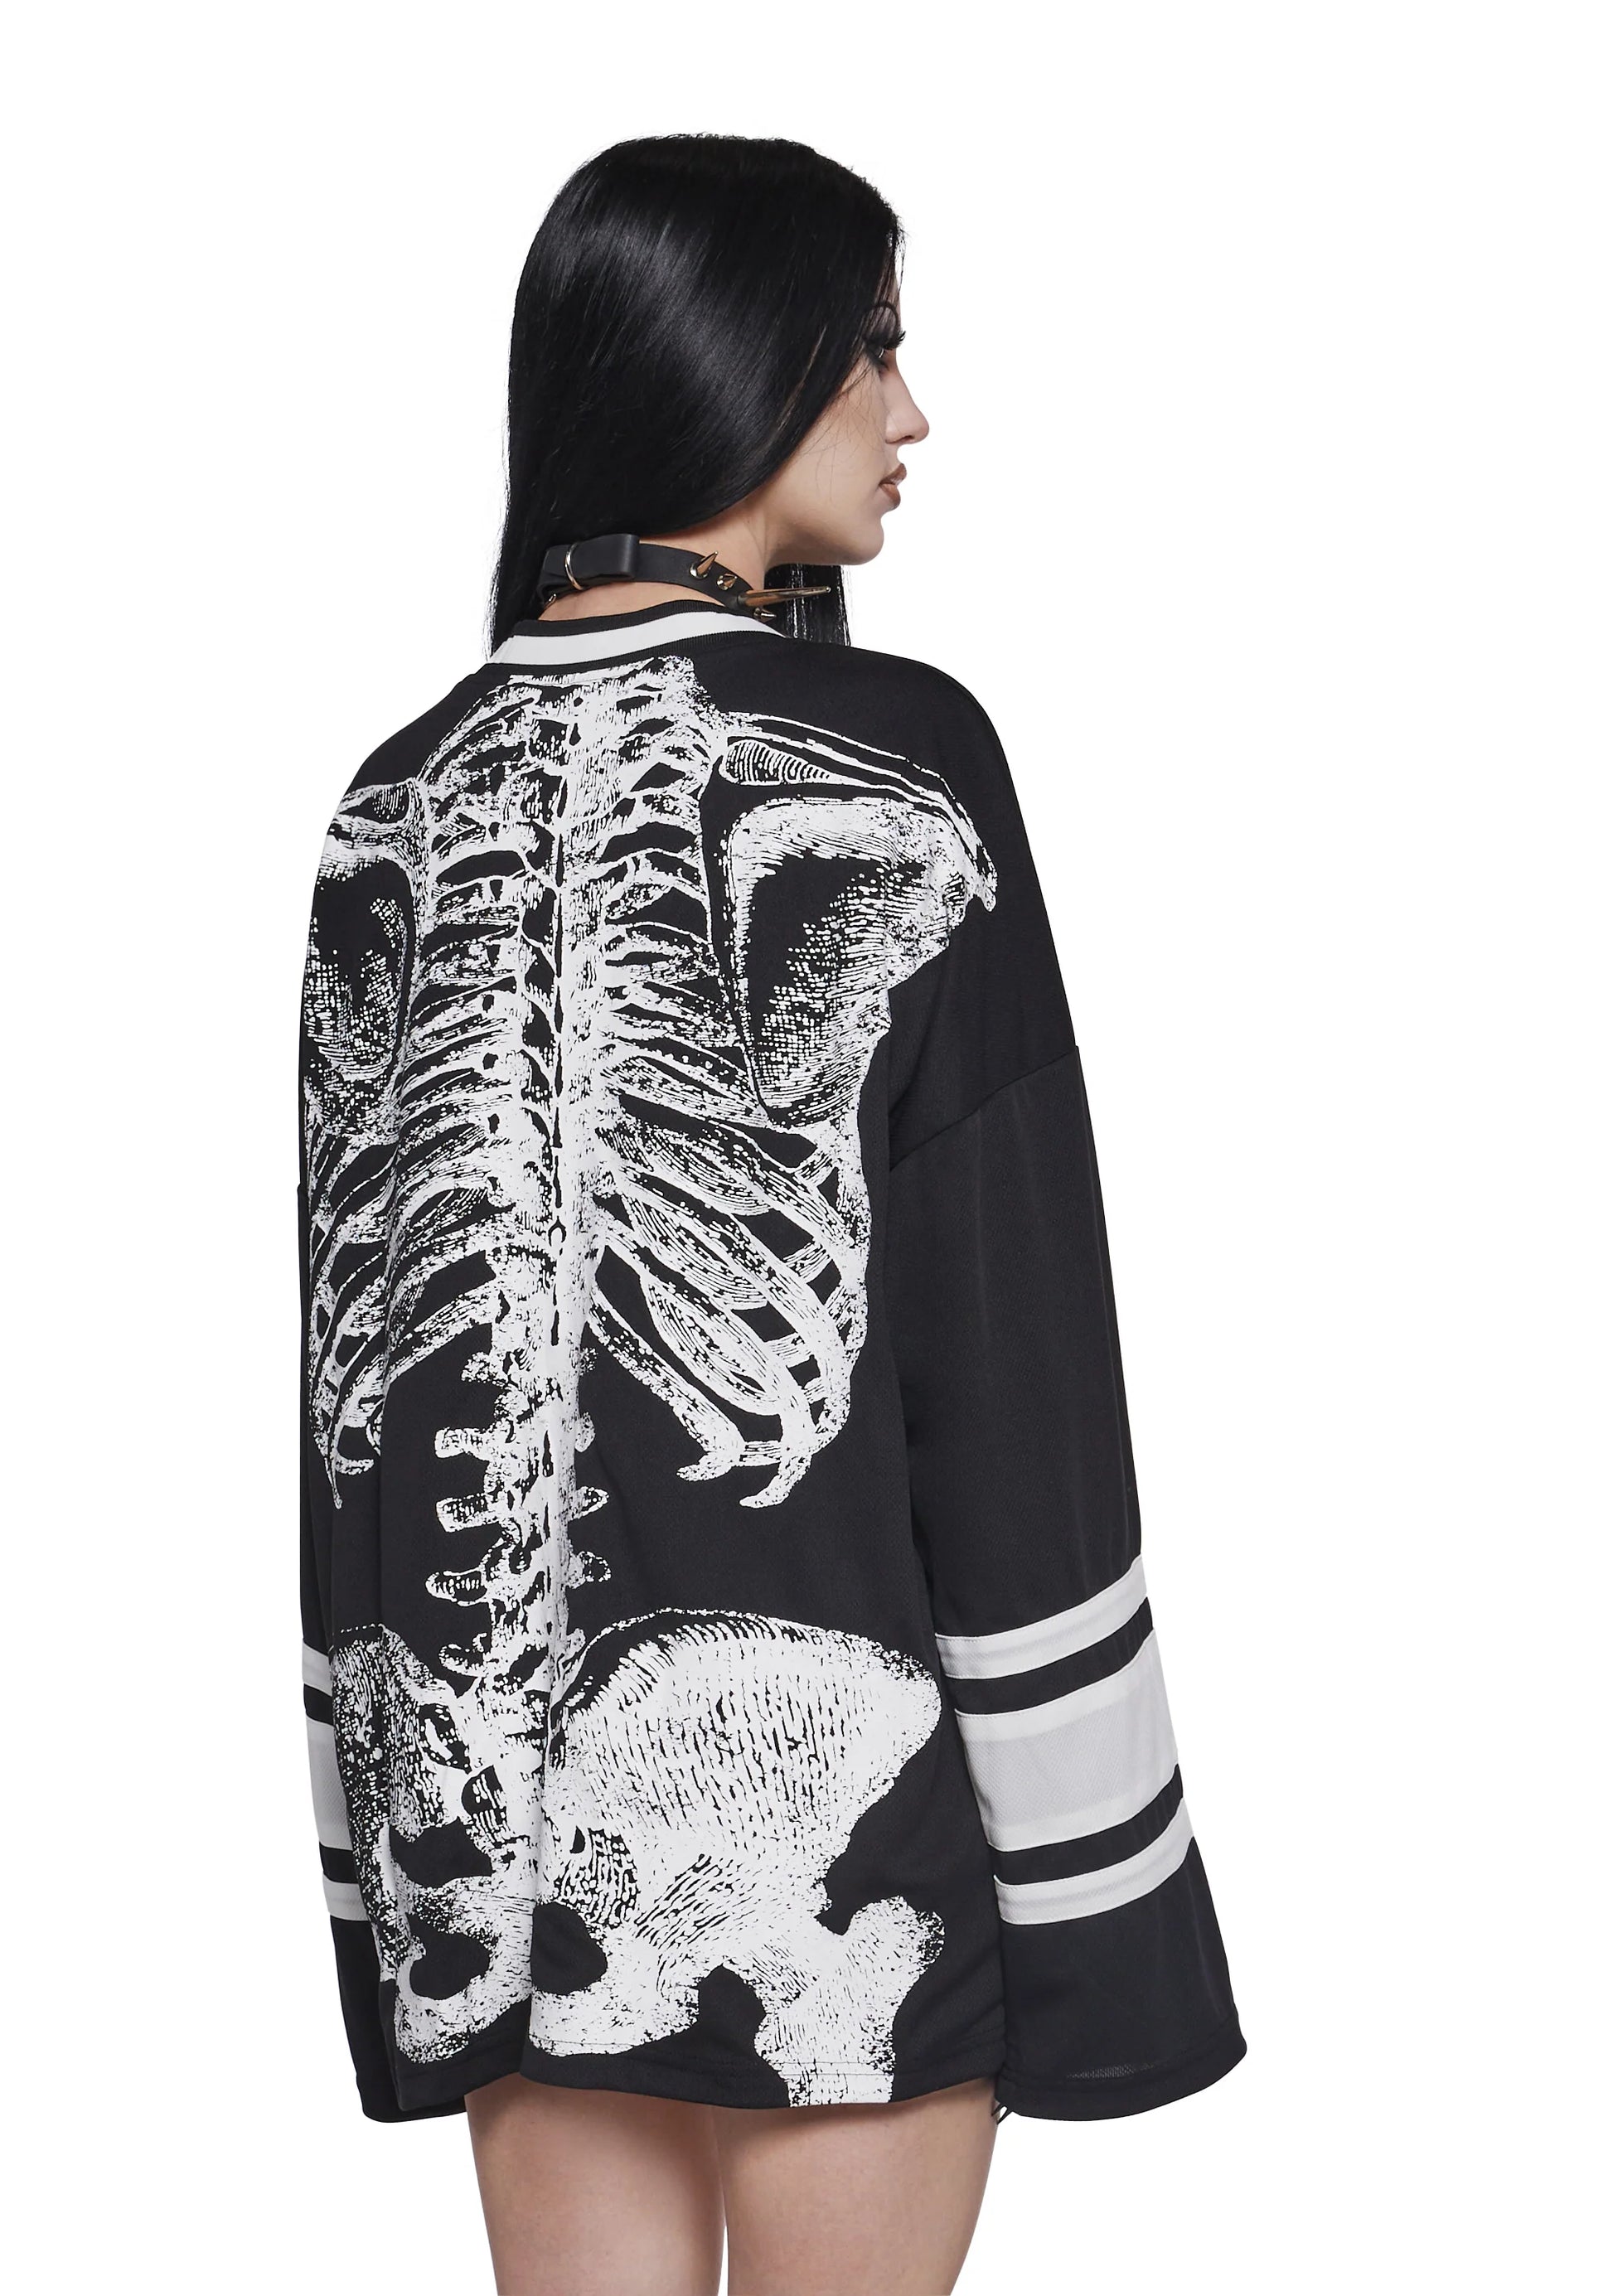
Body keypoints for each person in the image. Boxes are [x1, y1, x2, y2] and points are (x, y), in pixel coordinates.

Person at [297, 133, 1245, 2296]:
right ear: (742, 352)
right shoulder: (895, 760)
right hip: (830, 1831)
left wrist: (394, 1879)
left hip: (489, 1852)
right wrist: (1097, 1911)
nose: (913, 413)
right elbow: (1010, 1359)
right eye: (872, 348)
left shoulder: (392, 794)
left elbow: (355, 1449)